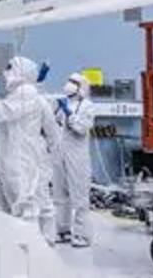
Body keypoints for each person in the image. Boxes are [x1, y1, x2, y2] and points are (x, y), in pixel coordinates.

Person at [0, 56, 59, 237]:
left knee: (24, 201)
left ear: (22, 72)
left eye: (11, 68)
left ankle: (28, 246)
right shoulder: (25, 94)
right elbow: (52, 130)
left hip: (22, 155)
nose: (6, 73)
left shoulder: (26, 94)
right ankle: (44, 241)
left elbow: (2, 113)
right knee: (33, 198)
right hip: (24, 154)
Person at [52, 72, 98, 247]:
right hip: (60, 153)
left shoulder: (87, 106)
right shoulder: (63, 103)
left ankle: (82, 235)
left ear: (81, 87)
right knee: (60, 194)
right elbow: (55, 124)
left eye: (73, 82)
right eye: (68, 80)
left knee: (79, 195)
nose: (68, 84)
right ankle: (63, 230)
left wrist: (68, 113)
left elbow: (82, 128)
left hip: (77, 155)